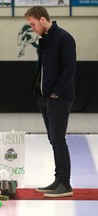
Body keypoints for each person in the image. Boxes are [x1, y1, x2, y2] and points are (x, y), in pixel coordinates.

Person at [24, 6, 76, 198]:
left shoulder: (64, 38)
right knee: (54, 140)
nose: (32, 28)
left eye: (33, 24)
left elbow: (70, 68)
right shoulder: (45, 40)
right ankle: (58, 180)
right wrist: (42, 94)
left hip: (59, 99)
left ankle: (65, 184)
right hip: (46, 98)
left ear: (43, 20)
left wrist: (56, 92)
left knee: (58, 140)